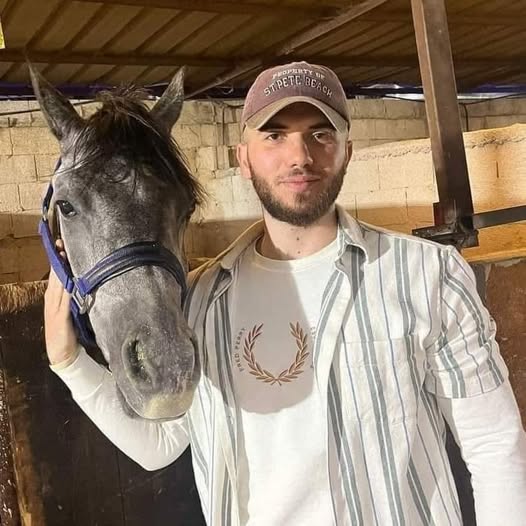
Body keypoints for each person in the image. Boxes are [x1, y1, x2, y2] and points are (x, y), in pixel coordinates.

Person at [45, 62, 526, 526]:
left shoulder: (428, 274)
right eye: (275, 135)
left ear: (347, 152)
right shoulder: (201, 301)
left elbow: (494, 446)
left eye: (320, 134)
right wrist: (69, 362)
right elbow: (160, 445)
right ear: (243, 158)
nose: (299, 156)